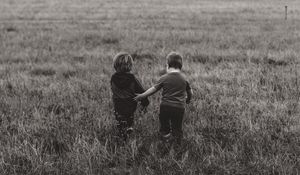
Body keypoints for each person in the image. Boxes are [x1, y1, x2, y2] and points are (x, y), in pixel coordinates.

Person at [134, 52, 192, 145]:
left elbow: (153, 89)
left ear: (168, 66)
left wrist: (143, 95)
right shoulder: (184, 78)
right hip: (179, 108)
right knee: (177, 126)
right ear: (180, 66)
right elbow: (190, 92)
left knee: (164, 125)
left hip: (166, 107)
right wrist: (188, 99)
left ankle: (165, 139)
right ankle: (177, 143)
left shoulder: (164, 78)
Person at [111, 52, 149, 141]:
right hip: (130, 104)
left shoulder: (113, 78)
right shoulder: (132, 78)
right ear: (130, 66)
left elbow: (113, 89)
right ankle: (128, 129)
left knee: (120, 119)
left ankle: (122, 133)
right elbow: (141, 91)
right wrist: (145, 102)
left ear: (115, 65)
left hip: (118, 104)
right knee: (129, 118)